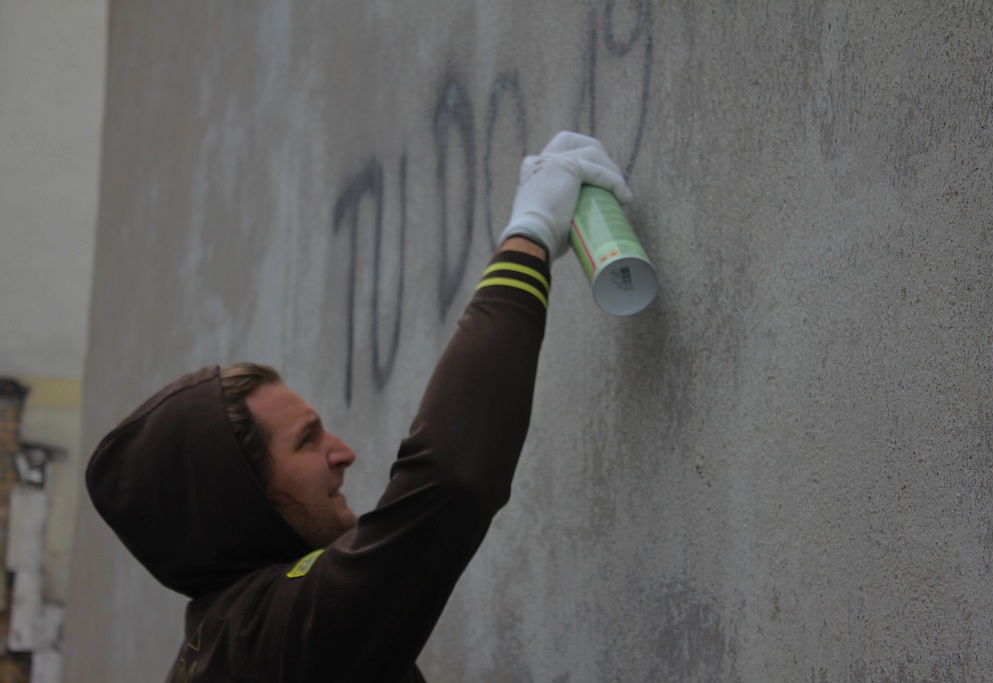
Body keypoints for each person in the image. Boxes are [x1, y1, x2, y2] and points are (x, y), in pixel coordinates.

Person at [85, 131, 633, 683]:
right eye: (307, 439)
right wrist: (531, 231)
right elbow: (450, 478)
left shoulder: (227, 641)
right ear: (236, 500)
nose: (344, 453)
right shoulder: (267, 642)